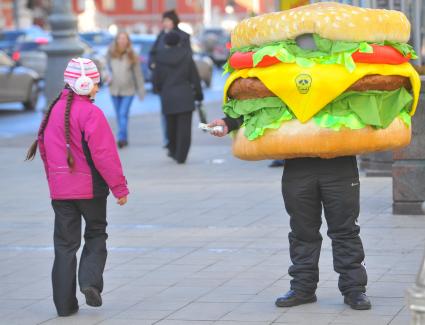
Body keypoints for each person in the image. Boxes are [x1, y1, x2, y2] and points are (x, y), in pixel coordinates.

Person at [208, 117, 371, 310]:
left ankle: (354, 289)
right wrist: (230, 122)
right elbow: (264, 100)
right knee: (302, 230)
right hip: (298, 164)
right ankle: (303, 288)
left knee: (345, 230)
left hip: (339, 162)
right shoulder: (285, 84)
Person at [26, 58, 129, 317]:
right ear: (84, 84)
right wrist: (119, 188)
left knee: (64, 246)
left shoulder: (52, 111)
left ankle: (64, 305)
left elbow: (46, 150)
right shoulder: (92, 113)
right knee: (96, 233)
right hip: (90, 189)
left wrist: (55, 183)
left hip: (61, 191)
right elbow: (104, 155)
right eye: (95, 83)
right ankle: (89, 282)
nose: (97, 88)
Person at [153, 31, 203, 164]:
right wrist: (199, 94)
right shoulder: (186, 55)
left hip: (168, 96)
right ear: (179, 42)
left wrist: (158, 89)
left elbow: (157, 77)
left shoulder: (160, 56)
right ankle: (182, 155)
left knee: (171, 126)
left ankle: (173, 150)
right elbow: (194, 76)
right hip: (185, 95)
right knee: (185, 128)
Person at [149, 9, 192, 148]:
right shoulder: (160, 36)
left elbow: (189, 59)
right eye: (164, 21)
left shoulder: (184, 36)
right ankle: (169, 140)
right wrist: (152, 65)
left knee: (179, 116)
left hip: (180, 81)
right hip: (164, 82)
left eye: (168, 21)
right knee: (166, 114)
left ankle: (175, 142)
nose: (165, 24)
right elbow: (152, 54)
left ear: (174, 21)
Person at [106, 31, 145, 148]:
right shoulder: (110, 53)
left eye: (124, 38)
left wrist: (141, 90)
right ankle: (124, 137)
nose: (122, 41)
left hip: (128, 90)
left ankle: (121, 138)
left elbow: (138, 74)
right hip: (114, 89)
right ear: (116, 40)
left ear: (128, 41)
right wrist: (106, 76)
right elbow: (105, 69)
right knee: (119, 115)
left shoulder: (132, 55)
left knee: (123, 113)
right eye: (120, 38)